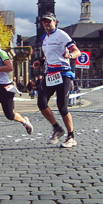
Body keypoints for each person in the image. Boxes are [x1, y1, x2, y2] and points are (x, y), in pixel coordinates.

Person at [32, 12, 81, 148]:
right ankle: (57, 128)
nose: (46, 24)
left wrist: (70, 55)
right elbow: (47, 55)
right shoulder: (44, 38)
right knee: (41, 103)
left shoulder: (62, 35)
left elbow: (78, 51)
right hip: (50, 74)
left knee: (62, 107)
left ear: (55, 22)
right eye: (44, 22)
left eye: (49, 21)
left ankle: (71, 136)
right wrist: (40, 62)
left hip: (63, 74)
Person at [0, 37, 33, 150]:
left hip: (5, 87)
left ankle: (24, 121)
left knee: (9, 115)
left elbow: (9, 67)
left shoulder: (2, 54)